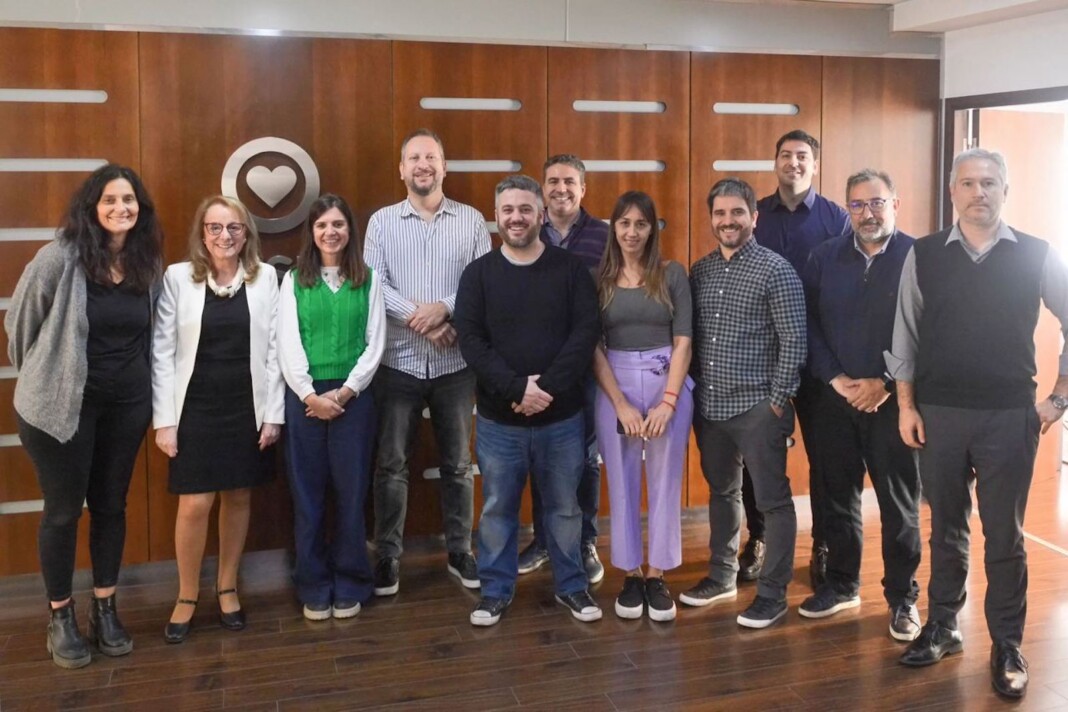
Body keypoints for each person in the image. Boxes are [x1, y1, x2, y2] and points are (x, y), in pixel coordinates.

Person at [888, 149, 1068, 699]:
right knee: (946, 527)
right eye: (968, 183)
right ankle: (942, 626)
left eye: (989, 183)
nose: (979, 192)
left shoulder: (1038, 255)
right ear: (953, 192)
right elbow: (905, 336)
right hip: (939, 415)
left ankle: (1008, 645)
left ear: (1005, 190)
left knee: (1005, 537)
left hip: (1010, 418)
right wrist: (907, 406)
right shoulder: (923, 255)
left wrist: (1058, 398)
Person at [5, 164, 162, 668]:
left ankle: (105, 608)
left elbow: (152, 331)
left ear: (141, 209)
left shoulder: (146, 262)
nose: (122, 208)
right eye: (111, 200)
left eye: (130, 200)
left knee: (112, 506)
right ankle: (60, 616)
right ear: (92, 207)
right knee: (63, 511)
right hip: (59, 409)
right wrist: (46, 376)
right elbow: (20, 326)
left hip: (127, 406)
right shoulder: (60, 258)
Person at [454, 175, 602, 627]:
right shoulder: (478, 274)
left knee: (564, 507)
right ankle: (495, 592)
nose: (516, 217)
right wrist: (518, 390)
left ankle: (571, 587)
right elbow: (472, 342)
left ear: (541, 214)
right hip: (501, 420)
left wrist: (546, 390)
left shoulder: (571, 270)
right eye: (507, 210)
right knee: (498, 508)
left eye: (524, 209)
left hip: (562, 417)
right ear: (496, 218)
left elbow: (584, 335)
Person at [364, 128, 491, 596]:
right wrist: (426, 319)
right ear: (401, 168)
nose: (423, 164)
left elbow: (481, 282)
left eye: (431, 157)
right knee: (391, 463)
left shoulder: (473, 221)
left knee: (459, 463)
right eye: (414, 157)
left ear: (444, 166)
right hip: (397, 361)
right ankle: (389, 556)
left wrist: (446, 308)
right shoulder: (381, 222)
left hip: (454, 364)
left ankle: (461, 550)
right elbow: (375, 285)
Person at [152, 196, 283, 643]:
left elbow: (274, 353)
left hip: (247, 406)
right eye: (215, 227)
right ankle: (187, 594)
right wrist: (164, 421)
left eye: (234, 228)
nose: (224, 236)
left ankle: (227, 586)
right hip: (195, 407)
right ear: (201, 233)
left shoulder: (266, 279)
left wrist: (273, 416)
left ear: (247, 234)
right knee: (195, 503)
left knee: (239, 496)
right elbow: (162, 352)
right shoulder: (177, 278)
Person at [798, 170, 921, 641]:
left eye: (876, 203)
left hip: (897, 402)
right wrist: (838, 379)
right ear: (846, 210)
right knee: (836, 497)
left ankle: (901, 598)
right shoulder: (824, 256)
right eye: (857, 205)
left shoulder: (918, 257)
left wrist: (886, 382)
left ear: (895, 203)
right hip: (835, 399)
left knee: (899, 504)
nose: (867, 213)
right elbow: (807, 322)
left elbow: (929, 329)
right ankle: (843, 584)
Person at [683, 177, 805, 629]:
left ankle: (773, 595)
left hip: (759, 408)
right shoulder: (702, 270)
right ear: (711, 218)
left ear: (754, 217)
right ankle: (722, 577)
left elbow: (795, 340)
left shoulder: (777, 269)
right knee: (723, 492)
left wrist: (777, 401)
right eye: (720, 213)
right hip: (711, 408)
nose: (728, 220)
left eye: (737, 212)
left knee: (773, 502)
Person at [747, 129, 849, 587]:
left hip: (819, 360)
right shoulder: (756, 216)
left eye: (802, 156)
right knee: (756, 456)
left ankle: (823, 544)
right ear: (775, 163)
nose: (793, 163)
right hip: (762, 358)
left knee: (825, 460)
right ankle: (759, 539)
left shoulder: (836, 218)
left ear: (814, 164)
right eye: (785, 155)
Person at [278, 194, 385, 620]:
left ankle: (352, 580)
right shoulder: (294, 281)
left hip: (354, 399)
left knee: (352, 492)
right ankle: (313, 583)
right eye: (322, 225)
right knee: (308, 495)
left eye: (338, 224)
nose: (330, 232)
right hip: (304, 398)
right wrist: (310, 395)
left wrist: (345, 393)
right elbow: (286, 343)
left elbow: (375, 344)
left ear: (349, 231)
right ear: (312, 232)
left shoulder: (368, 279)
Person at [591, 191, 692, 621]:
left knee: (666, 480)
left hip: (667, 379)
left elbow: (684, 339)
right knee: (622, 480)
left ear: (653, 229)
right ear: (614, 228)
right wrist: (620, 404)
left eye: (641, 224)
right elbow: (593, 346)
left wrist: (668, 401)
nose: (632, 232)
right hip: (615, 385)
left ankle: (657, 574)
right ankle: (631, 573)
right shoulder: (599, 280)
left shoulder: (672, 275)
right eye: (624, 223)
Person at [518, 155, 610, 583]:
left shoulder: (604, 237)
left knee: (587, 456)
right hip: (539, 366)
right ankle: (543, 539)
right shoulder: (529, 233)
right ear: (542, 189)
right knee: (541, 452)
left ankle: (584, 539)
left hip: (590, 363)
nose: (560, 189)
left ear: (583, 189)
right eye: (552, 181)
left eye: (569, 182)